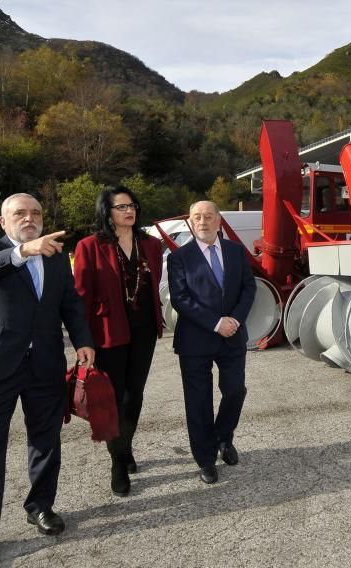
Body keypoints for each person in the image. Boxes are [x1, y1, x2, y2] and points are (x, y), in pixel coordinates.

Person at [0, 193, 94, 568]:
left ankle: (40, 506)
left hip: (44, 364)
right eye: (20, 213)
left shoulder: (57, 255)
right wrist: (25, 250)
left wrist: (83, 342)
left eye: (36, 213)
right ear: (4, 221)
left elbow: (70, 304)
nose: (29, 218)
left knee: (46, 441)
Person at [73, 186, 164, 496]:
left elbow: (154, 285)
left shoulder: (151, 244)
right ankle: (118, 460)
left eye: (133, 205)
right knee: (114, 397)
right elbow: (81, 296)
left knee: (134, 394)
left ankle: (124, 447)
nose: (130, 210)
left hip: (144, 331)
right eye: (122, 206)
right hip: (107, 332)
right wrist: (82, 340)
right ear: (107, 212)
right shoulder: (89, 246)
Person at [169, 200, 256, 485]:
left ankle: (223, 438)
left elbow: (248, 287)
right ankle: (205, 459)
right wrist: (216, 323)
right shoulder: (179, 257)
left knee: (235, 391)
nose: (202, 221)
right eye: (197, 217)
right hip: (195, 339)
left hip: (232, 336)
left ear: (219, 221)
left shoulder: (235, 251)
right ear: (191, 223)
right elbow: (181, 299)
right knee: (198, 402)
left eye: (208, 216)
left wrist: (235, 320)